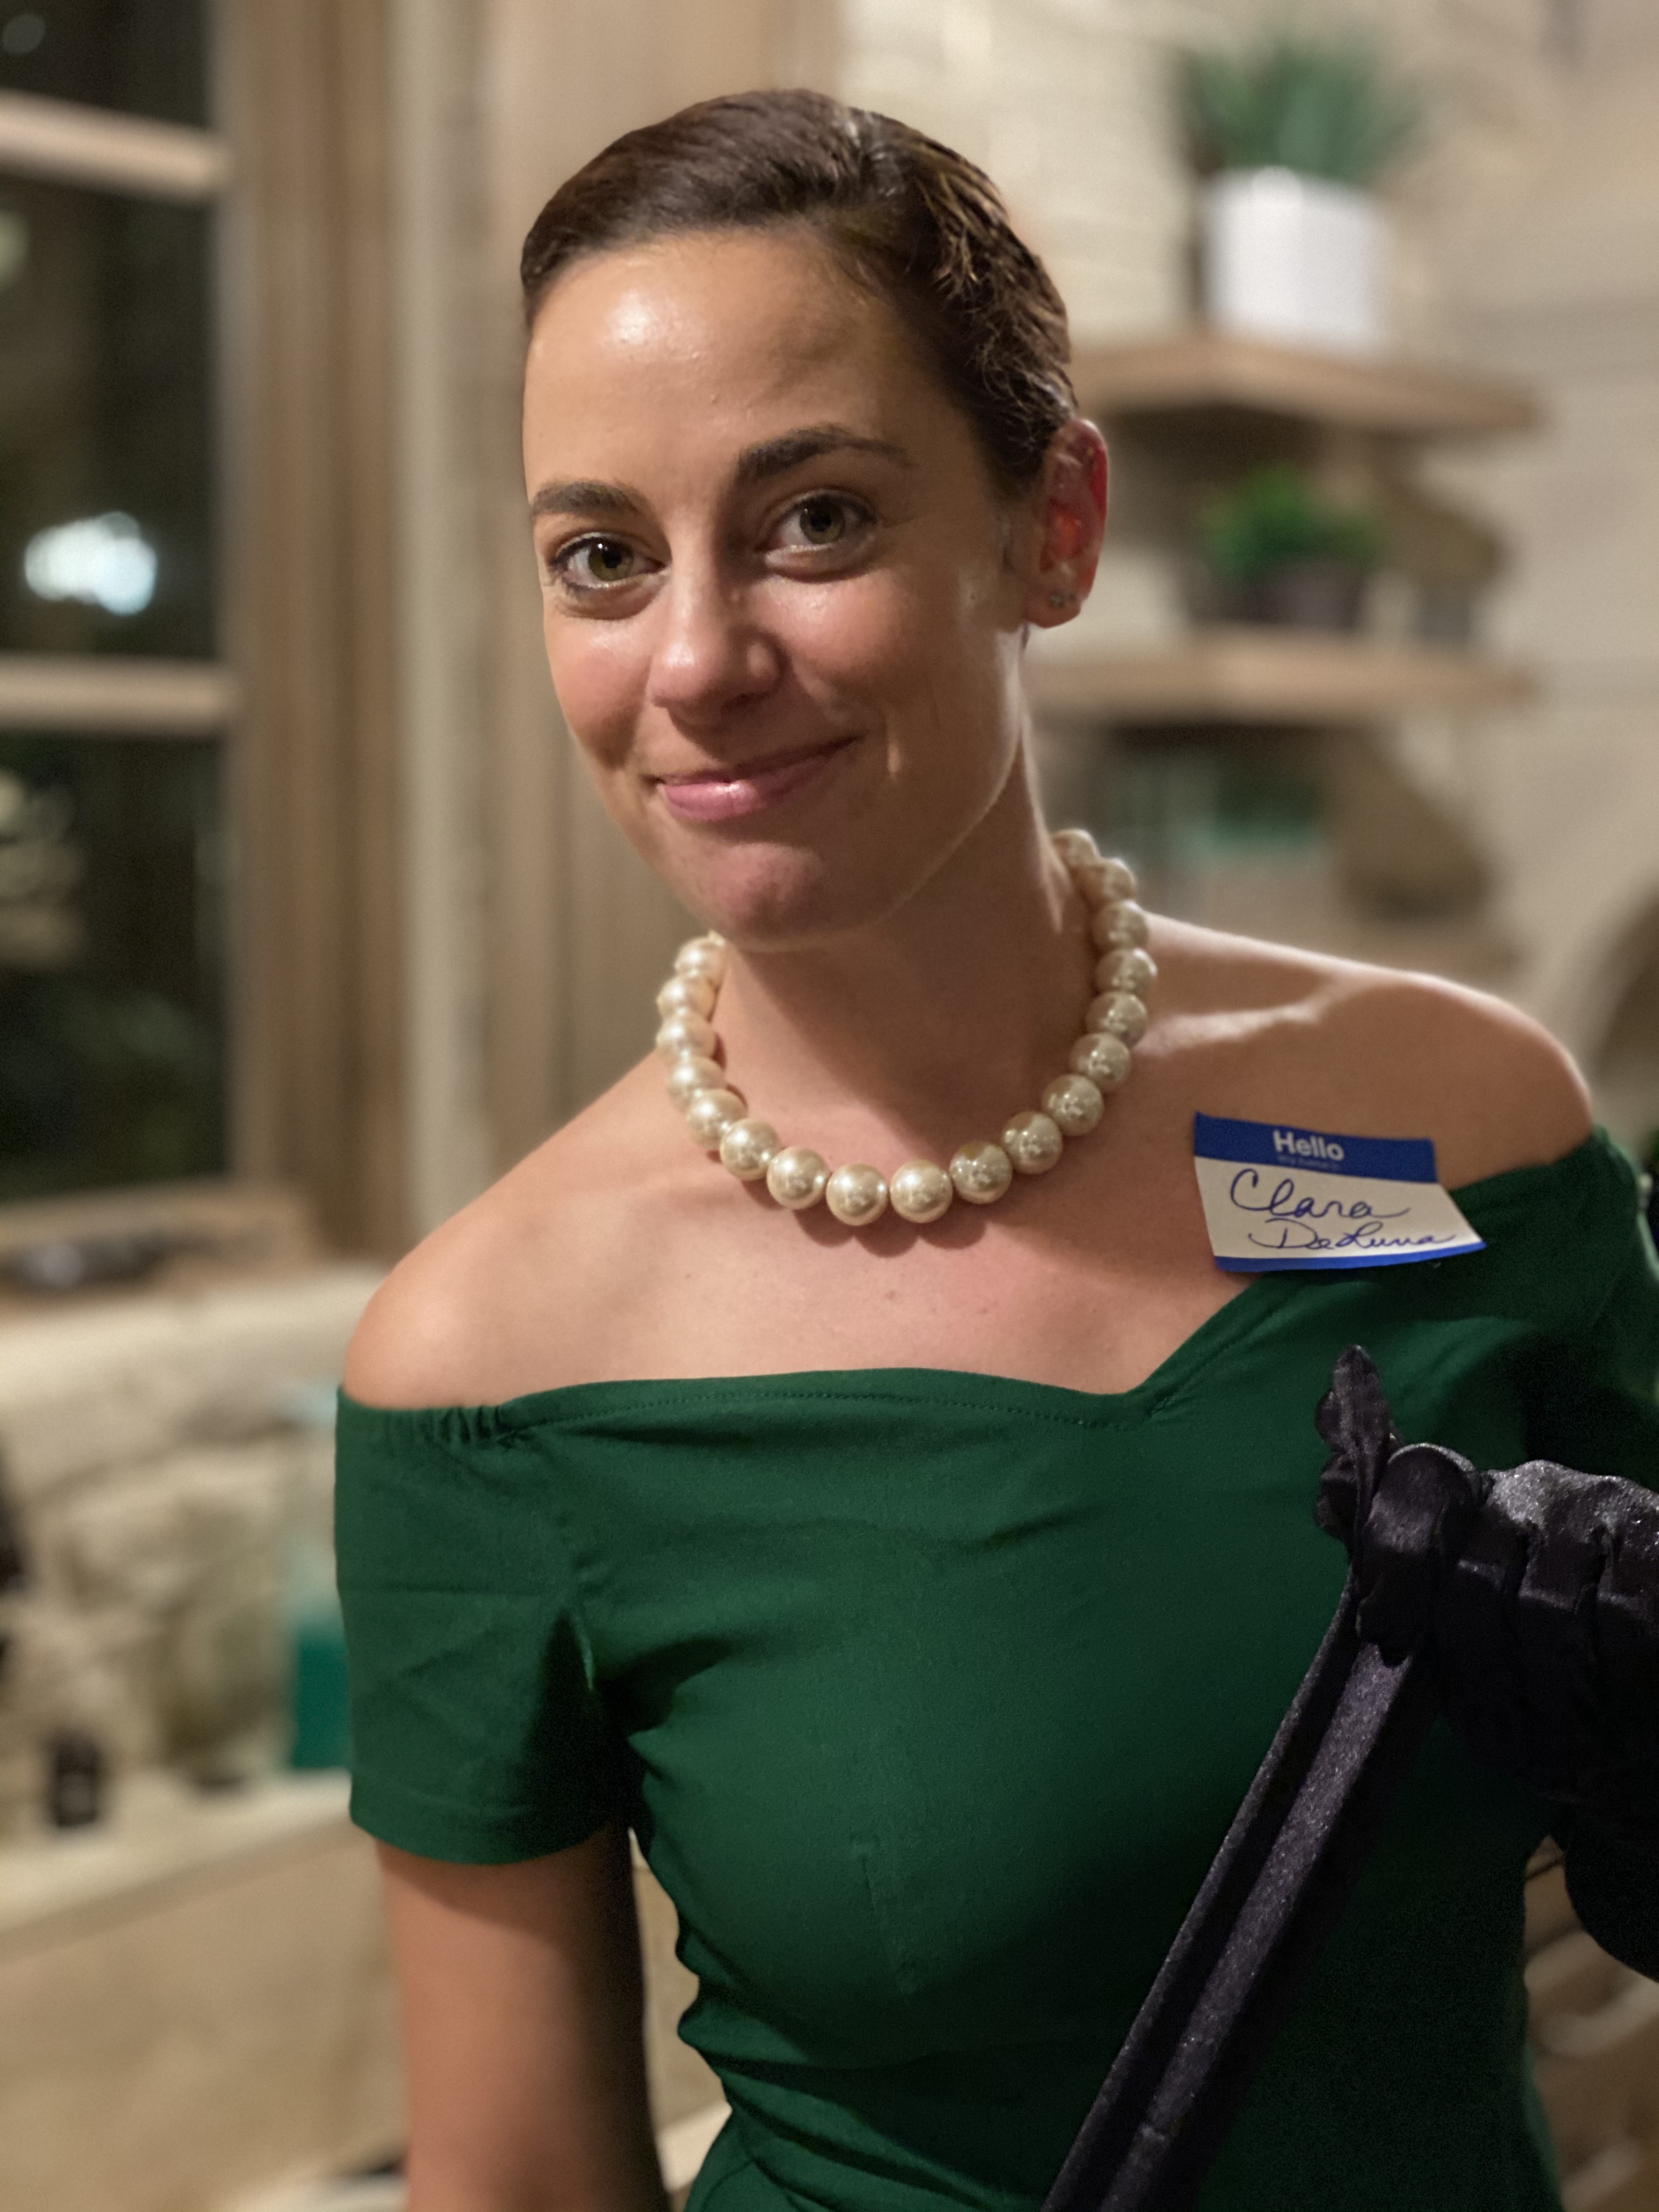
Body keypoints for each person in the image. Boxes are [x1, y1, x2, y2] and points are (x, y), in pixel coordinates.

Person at [335, 90, 1659, 2212]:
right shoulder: (489, 1364)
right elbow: (518, 2183)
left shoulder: (1470, 1129)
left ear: (1056, 524)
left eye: (814, 520)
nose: (697, 658)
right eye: (603, 556)